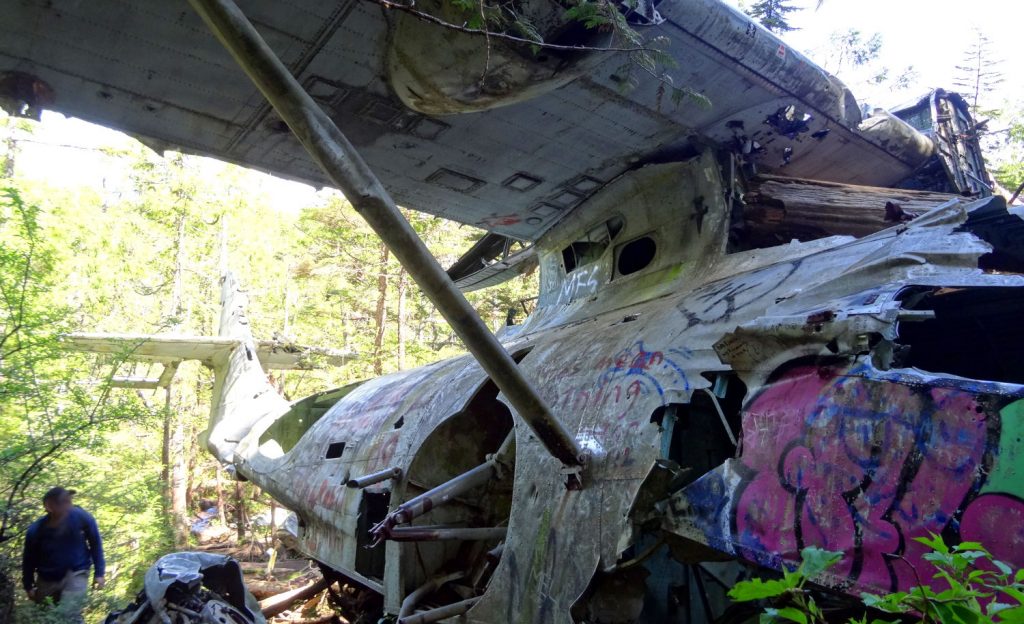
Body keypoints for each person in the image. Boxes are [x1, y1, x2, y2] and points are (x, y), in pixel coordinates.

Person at [22, 487, 105, 622]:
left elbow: (95, 543)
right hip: (47, 578)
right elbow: (28, 559)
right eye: (64, 502)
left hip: (76, 572)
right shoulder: (36, 530)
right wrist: (28, 585)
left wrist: (99, 573)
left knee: (70, 614)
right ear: (49, 506)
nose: (69, 505)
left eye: (69, 501)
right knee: (45, 617)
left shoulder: (81, 517)